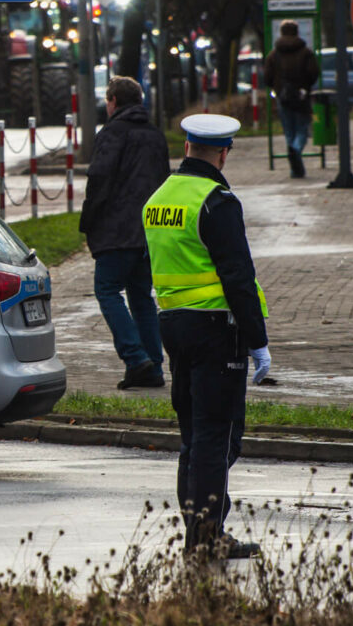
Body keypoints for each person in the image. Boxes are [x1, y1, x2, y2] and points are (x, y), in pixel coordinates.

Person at [143, 113, 268, 559]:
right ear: (223, 152)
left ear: (187, 148)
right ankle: (206, 538)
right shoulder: (217, 200)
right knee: (218, 437)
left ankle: (197, 531)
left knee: (195, 435)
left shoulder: (158, 198)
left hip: (174, 327)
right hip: (218, 330)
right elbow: (237, 275)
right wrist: (258, 340)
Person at [79, 76, 170, 389]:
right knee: (142, 297)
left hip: (116, 230)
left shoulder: (112, 133)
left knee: (107, 290)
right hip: (148, 231)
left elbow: (99, 180)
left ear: (114, 101)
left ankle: (136, 358)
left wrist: (88, 221)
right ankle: (154, 367)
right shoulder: (155, 136)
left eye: (107, 100)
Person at [262, 21, 320, 178]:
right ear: (297, 32)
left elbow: (267, 77)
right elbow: (313, 73)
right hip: (301, 97)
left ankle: (294, 166)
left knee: (289, 130)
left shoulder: (274, 55)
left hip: (283, 97)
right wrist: (305, 86)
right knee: (302, 129)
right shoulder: (306, 53)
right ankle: (296, 150)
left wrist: (277, 87)